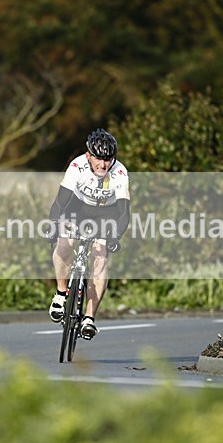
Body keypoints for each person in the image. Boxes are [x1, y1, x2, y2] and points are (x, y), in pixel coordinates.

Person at [46, 128, 131, 339]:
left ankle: (89, 318)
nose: (103, 165)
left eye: (108, 159)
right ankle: (60, 293)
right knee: (65, 244)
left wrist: (115, 237)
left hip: (106, 214)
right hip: (78, 209)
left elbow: (124, 212)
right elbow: (59, 202)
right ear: (88, 155)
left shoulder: (120, 172)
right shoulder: (77, 167)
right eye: (98, 159)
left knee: (100, 255)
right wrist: (53, 225)